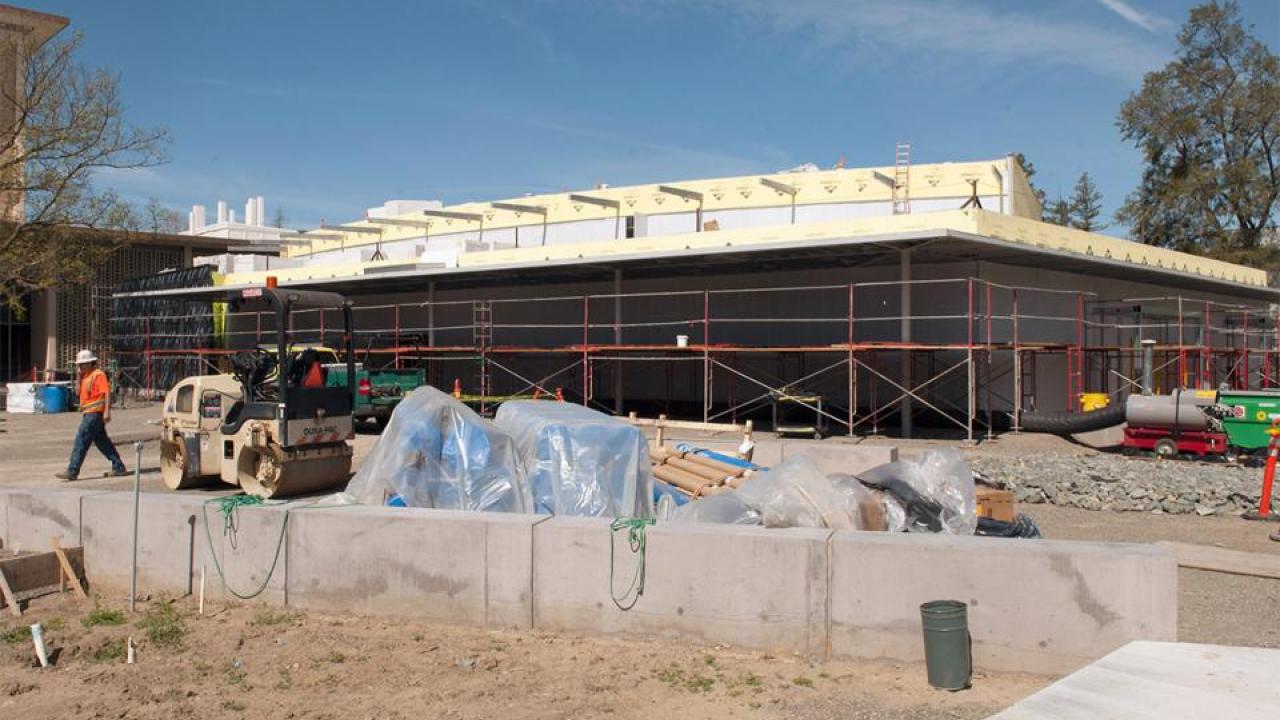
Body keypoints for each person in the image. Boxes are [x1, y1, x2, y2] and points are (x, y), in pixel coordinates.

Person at [56, 350, 127, 481]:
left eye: (83, 364)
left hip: (95, 413)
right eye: (79, 365)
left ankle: (72, 470)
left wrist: (107, 411)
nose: (80, 367)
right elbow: (78, 393)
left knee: (81, 440)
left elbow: (106, 393)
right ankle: (118, 467)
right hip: (88, 413)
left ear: (90, 363)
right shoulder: (85, 377)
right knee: (102, 442)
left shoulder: (98, 375)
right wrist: (78, 377)